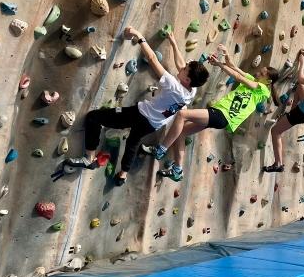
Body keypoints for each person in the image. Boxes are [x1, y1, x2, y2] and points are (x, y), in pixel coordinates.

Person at [71, 26, 209, 185]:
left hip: (138, 114)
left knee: (94, 117)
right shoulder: (191, 91)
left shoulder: (173, 86)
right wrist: (173, 43)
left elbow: (152, 58)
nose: (183, 67)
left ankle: (89, 158)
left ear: (187, 80)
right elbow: (181, 65)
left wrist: (139, 35)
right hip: (154, 124)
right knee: (133, 142)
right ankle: (123, 174)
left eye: (185, 69)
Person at [144, 44, 278, 181]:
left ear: (268, 81)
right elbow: (234, 67)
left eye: (262, 74)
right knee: (181, 132)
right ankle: (177, 170)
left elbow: (238, 77)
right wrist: (226, 55)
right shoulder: (253, 80)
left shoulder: (263, 90)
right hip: (220, 114)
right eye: (260, 71)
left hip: (223, 115)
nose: (258, 74)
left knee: (182, 115)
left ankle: (161, 150)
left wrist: (219, 64)